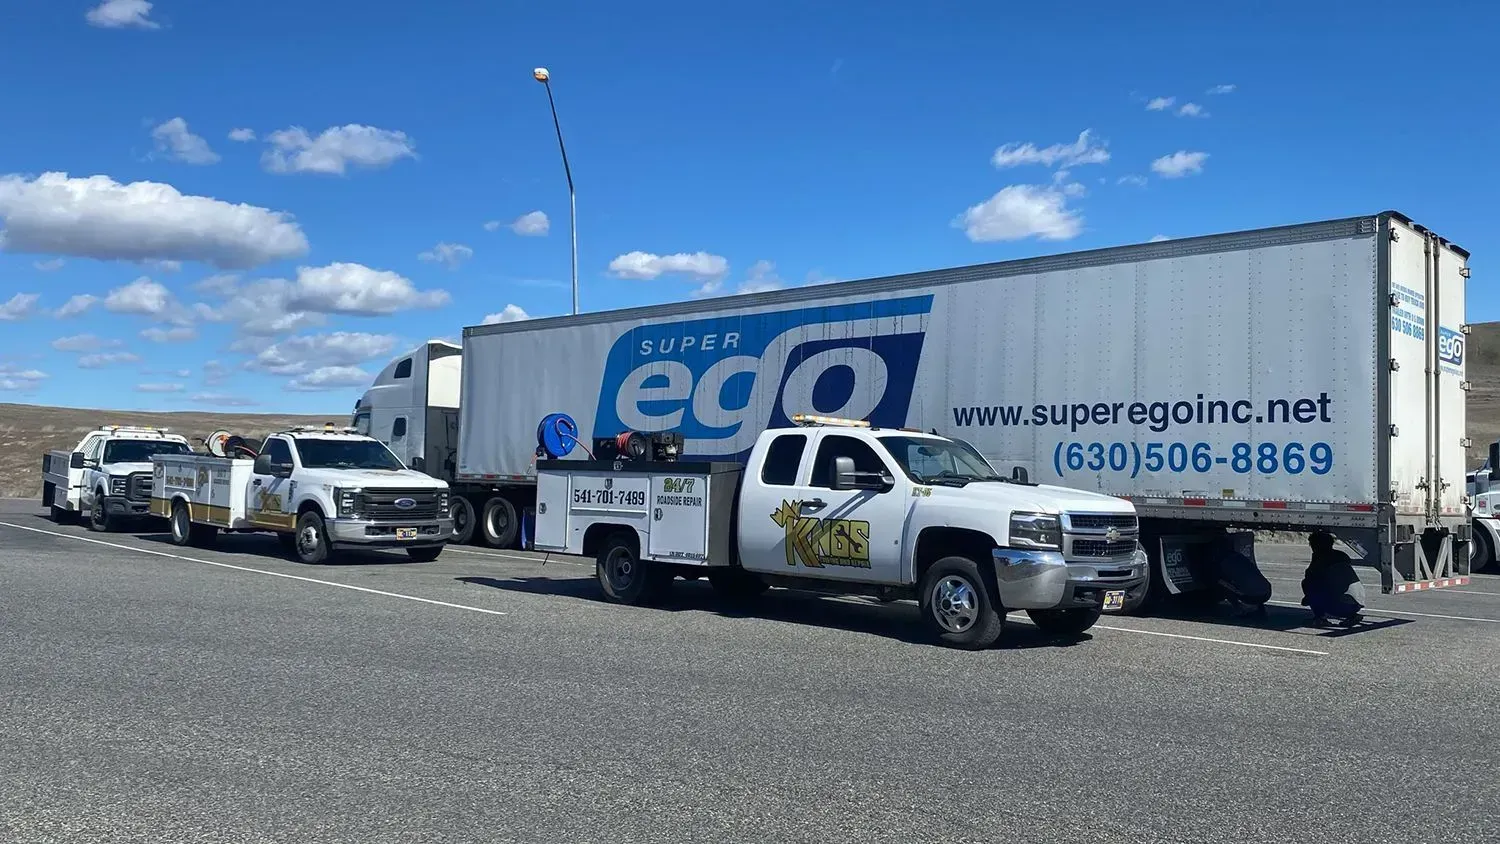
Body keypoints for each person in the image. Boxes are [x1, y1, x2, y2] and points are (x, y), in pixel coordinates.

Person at [1301, 531, 1365, 627]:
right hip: (1358, 600)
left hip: (1341, 604)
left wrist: (1308, 598)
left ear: (1315, 546)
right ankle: (1352, 615)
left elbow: (1311, 577)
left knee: (1309, 585)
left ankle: (1320, 617)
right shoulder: (1341, 555)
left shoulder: (1321, 559)